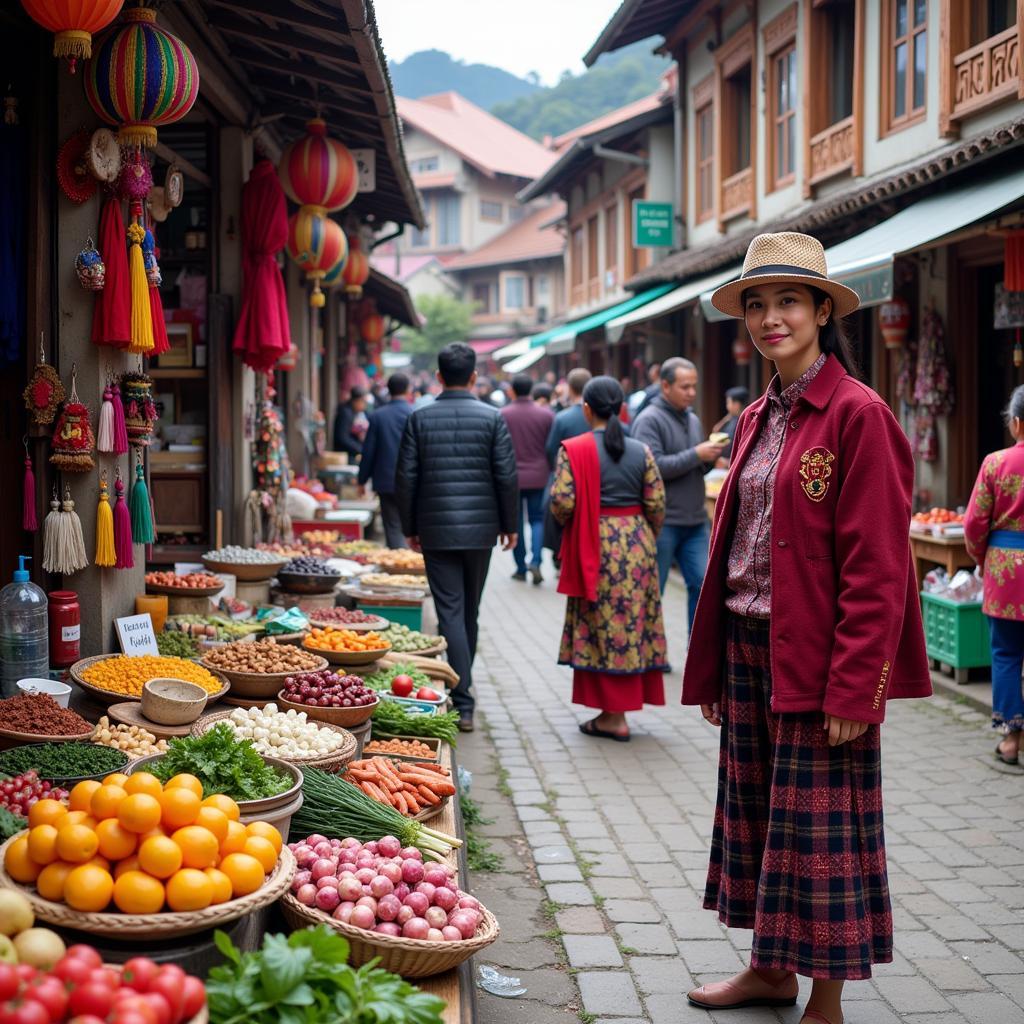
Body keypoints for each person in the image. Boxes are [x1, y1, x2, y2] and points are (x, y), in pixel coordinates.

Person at [681, 232, 931, 1024]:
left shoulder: (860, 415)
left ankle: (825, 1001)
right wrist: (715, 666)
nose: (769, 318)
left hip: (823, 663)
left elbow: (880, 567)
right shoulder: (756, 415)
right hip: (753, 650)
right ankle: (770, 972)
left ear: (823, 310)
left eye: (787, 300)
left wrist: (856, 686)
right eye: (755, 304)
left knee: (822, 840)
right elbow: (733, 552)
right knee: (763, 820)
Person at [395, 343, 519, 733]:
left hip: (435, 528)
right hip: (481, 532)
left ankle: (462, 698)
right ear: (473, 377)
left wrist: (409, 526)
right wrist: (510, 525)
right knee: (469, 613)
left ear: (438, 377)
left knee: (451, 614)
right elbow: (506, 476)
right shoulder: (492, 417)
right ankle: (464, 696)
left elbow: (406, 478)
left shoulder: (420, 418)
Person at [550, 376, 667, 741]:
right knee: (631, 626)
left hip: (595, 544)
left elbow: (562, 502)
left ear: (586, 409)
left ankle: (613, 718)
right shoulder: (641, 450)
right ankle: (612, 712)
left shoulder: (573, 449)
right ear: (620, 409)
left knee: (600, 627)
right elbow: (657, 503)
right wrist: (644, 536)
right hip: (636, 543)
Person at [632, 357, 723, 633]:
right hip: (663, 522)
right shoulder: (648, 420)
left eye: (694, 387)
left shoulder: (692, 418)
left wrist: (709, 458)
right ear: (665, 385)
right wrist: (696, 454)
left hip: (695, 520)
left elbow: (692, 464)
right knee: (653, 591)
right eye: (685, 387)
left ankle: (695, 654)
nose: (692, 393)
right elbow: (653, 467)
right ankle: (649, 656)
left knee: (702, 585)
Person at [964, 384, 1024, 765]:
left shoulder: (995, 463)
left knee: (1004, 654)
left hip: (1006, 574)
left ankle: (1010, 741)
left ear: (1016, 423)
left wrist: (981, 557)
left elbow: (973, 525)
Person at [502, 373, 555, 584]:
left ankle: (520, 567)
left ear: (512, 391)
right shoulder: (546, 415)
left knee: (515, 522)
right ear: (531, 390)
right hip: (539, 475)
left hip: (512, 476)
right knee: (537, 519)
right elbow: (552, 446)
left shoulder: (503, 414)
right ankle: (537, 560)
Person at [358, 372, 413, 549]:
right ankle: (408, 563)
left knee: (392, 525)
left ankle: (397, 562)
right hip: (411, 481)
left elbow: (369, 451)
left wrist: (362, 480)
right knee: (409, 524)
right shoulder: (415, 414)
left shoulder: (377, 416)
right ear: (408, 389)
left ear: (388, 390)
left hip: (385, 480)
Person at [544, 368, 593, 561]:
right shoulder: (600, 416)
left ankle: (564, 556)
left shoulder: (563, 418)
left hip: (569, 480)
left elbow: (551, 450)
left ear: (570, 389)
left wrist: (557, 472)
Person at [711, 385, 749, 465]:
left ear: (736, 404)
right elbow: (716, 430)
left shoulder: (744, 421)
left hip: (732, 464)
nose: (727, 406)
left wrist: (727, 462)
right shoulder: (731, 418)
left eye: (728, 402)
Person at [333, 386, 368, 460]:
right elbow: (342, 437)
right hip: (344, 454)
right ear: (356, 401)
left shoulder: (353, 412)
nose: (365, 405)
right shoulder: (346, 413)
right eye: (363, 401)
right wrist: (361, 449)